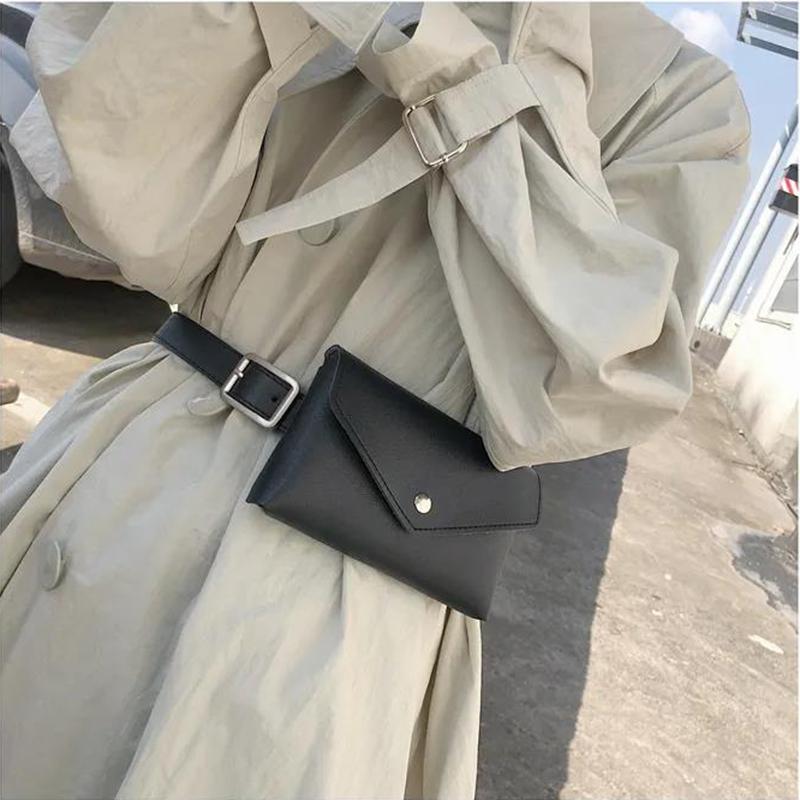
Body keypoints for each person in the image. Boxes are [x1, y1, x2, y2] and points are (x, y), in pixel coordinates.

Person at [0, 3, 749, 798]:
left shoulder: (680, 95)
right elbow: (131, 219)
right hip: (130, 468)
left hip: (338, 579)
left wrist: (432, 55)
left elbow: (579, 396)